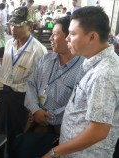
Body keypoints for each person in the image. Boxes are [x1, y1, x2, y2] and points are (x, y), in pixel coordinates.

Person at [43, 6, 119, 158]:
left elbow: (98, 131)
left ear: (92, 37)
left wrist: (54, 152)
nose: (66, 38)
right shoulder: (94, 62)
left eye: (72, 34)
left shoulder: (103, 74)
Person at [0, 6, 47, 155]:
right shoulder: (10, 44)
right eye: (12, 25)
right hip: (5, 95)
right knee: (1, 133)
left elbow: (41, 83)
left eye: (18, 26)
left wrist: (36, 108)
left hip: (22, 100)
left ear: (30, 26)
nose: (13, 29)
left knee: (17, 136)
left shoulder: (38, 51)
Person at [24, 16, 83, 136]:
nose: (50, 38)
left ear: (69, 37)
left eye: (55, 34)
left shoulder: (83, 68)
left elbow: (77, 104)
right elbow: (31, 84)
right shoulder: (46, 59)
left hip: (62, 129)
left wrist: (48, 116)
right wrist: (36, 110)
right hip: (35, 121)